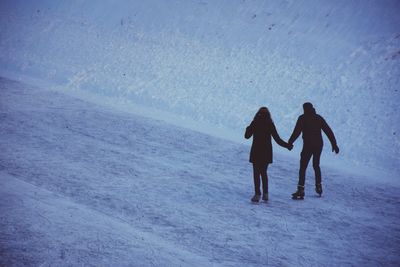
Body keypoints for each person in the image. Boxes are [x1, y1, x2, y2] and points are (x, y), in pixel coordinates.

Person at [288, 102, 339, 199]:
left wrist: (290, 142)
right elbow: (328, 130)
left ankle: (301, 189)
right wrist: (334, 144)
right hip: (318, 145)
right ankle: (318, 187)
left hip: (308, 145)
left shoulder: (302, 118)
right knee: (316, 165)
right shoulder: (318, 117)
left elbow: (296, 132)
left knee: (303, 167)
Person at [245, 107, 291, 202]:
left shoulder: (255, 122)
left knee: (256, 174)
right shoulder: (270, 124)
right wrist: (287, 146)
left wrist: (248, 127)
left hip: (256, 151)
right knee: (264, 173)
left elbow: (247, 136)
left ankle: (257, 194)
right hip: (266, 152)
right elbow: (277, 139)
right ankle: (266, 194)